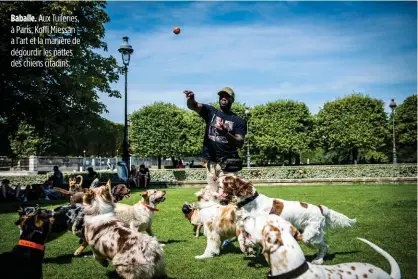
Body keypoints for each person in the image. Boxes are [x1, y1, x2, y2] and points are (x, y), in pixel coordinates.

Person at [184, 87, 247, 198]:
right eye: (221, 95)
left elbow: (240, 142)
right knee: (213, 197)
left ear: (232, 99)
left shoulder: (238, 121)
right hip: (211, 164)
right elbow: (193, 106)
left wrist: (226, 133)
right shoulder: (211, 112)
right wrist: (191, 99)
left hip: (228, 165)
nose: (223, 98)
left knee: (227, 197)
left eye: (227, 96)